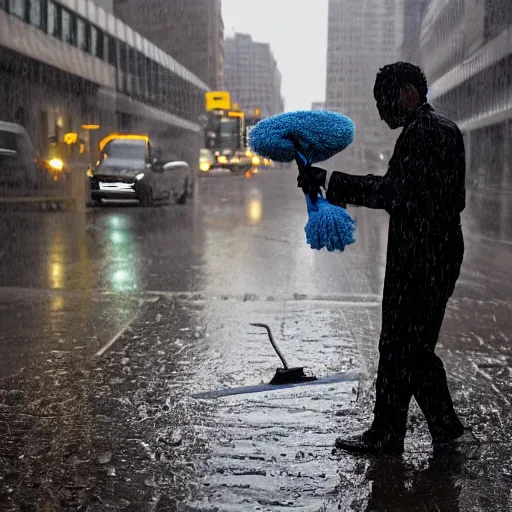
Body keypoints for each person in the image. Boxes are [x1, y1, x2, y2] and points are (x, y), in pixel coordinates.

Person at [300, 62, 467, 455]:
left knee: (402, 346)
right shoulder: (432, 129)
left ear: (409, 93)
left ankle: (390, 434)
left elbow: (394, 193)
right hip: (432, 252)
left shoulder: (425, 132)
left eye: (383, 100)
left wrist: (330, 181)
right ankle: (437, 429)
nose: (379, 110)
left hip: (423, 257)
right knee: (411, 348)